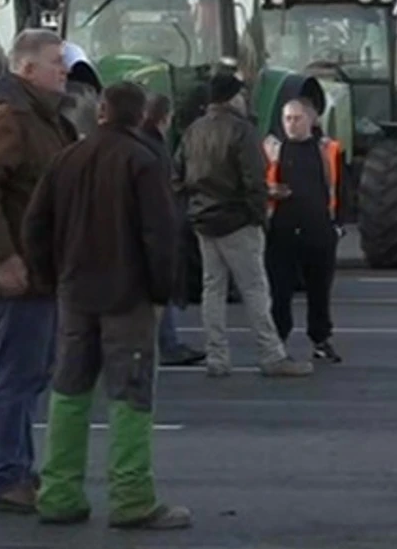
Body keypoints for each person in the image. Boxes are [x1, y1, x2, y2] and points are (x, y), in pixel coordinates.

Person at [23, 82, 192, 529]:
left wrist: (48, 276)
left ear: (102, 111)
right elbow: (161, 235)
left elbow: (35, 224)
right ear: (140, 117)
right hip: (127, 297)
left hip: (75, 294)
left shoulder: (66, 159)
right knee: (130, 394)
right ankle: (132, 497)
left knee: (69, 390)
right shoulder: (142, 161)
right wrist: (161, 293)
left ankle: (59, 493)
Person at [0, 28, 78, 513]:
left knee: (31, 373)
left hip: (41, 268)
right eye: (55, 62)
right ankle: (7, 476)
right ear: (26, 69)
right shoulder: (11, 118)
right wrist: (3, 256)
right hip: (19, 271)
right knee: (16, 375)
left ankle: (19, 471)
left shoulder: (45, 118)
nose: (64, 70)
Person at [176, 72, 313, 378]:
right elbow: (253, 177)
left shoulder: (193, 130)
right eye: (240, 93)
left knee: (213, 290)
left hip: (203, 219)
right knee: (255, 289)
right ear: (231, 97)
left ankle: (217, 357)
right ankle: (271, 354)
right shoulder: (242, 130)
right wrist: (259, 214)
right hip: (237, 219)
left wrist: (194, 206)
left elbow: (179, 173)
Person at [263, 98, 345, 364]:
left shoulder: (327, 150)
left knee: (319, 290)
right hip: (282, 232)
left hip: (318, 231)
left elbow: (343, 190)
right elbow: (255, 183)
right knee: (280, 291)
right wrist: (269, 193)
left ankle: (320, 340)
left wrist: (338, 227)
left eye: (297, 118)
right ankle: (279, 344)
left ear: (311, 120)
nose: (291, 124)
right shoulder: (273, 150)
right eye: (287, 118)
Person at [136, 94, 205, 367]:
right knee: (158, 287)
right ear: (165, 118)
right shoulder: (154, 147)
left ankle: (166, 342)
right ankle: (166, 344)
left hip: (144, 227)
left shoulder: (139, 142)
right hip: (153, 228)